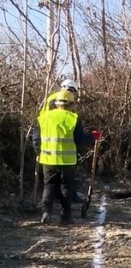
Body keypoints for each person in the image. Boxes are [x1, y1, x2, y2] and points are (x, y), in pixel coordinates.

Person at [32, 90, 97, 225]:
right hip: (67, 161)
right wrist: (92, 137)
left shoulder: (43, 118)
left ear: (56, 103)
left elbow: (36, 139)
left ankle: (46, 213)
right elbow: (79, 140)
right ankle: (65, 217)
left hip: (48, 159)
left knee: (48, 185)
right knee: (66, 187)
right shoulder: (73, 118)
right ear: (70, 104)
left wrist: (39, 152)